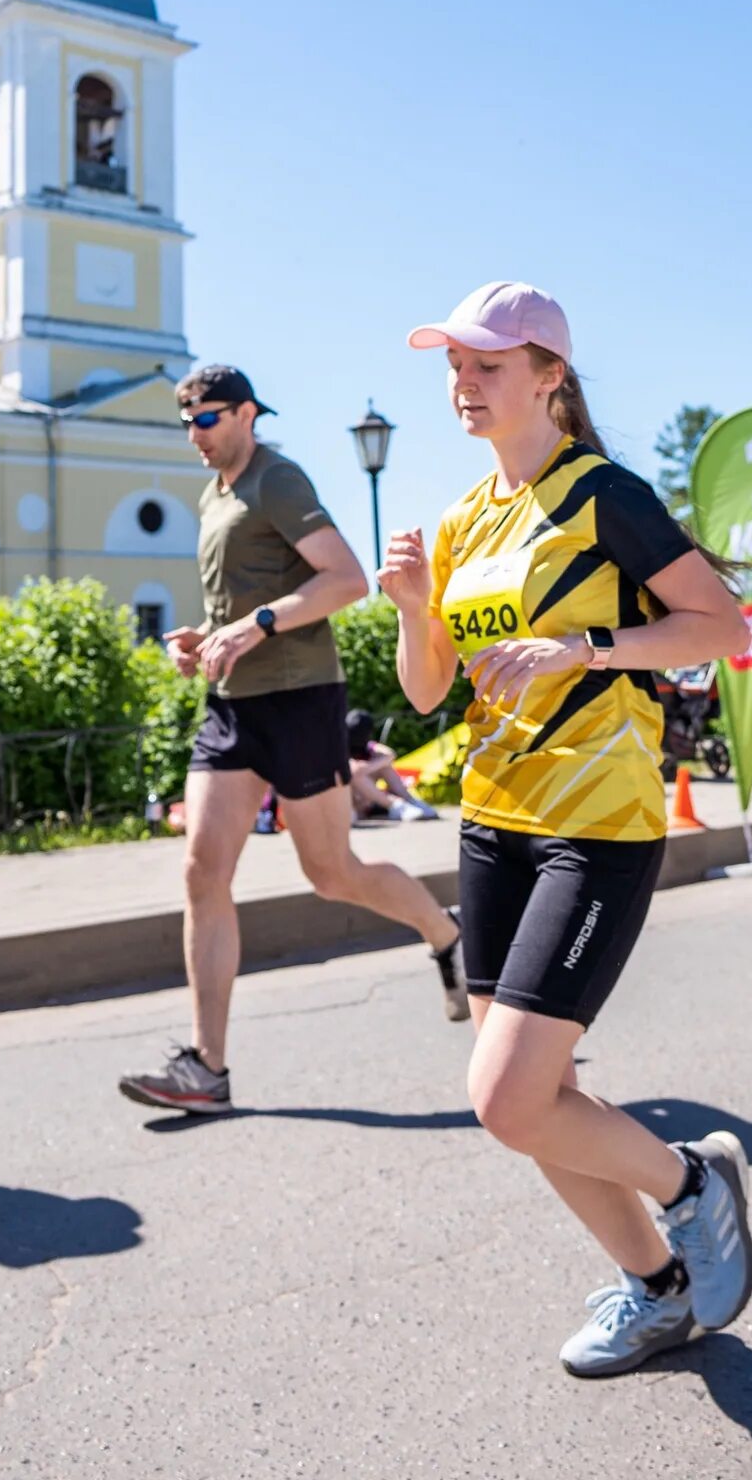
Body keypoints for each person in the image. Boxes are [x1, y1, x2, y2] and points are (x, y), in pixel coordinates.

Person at [381, 281, 752, 1377]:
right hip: (495, 819)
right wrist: (414, 607)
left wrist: (583, 646)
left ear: (551, 373)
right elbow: (423, 692)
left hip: (598, 822)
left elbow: (720, 626)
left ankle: (695, 1183)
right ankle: (657, 1286)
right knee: (533, 1096)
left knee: (504, 1098)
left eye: (486, 365)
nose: (464, 385)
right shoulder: (461, 519)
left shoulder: (603, 494)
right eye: (454, 367)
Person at [120, 365, 467, 1116]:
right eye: (186, 422)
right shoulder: (214, 495)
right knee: (201, 871)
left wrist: (258, 624)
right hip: (231, 707)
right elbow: (241, 609)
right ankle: (207, 1067)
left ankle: (446, 933)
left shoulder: (278, 480)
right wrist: (206, 641)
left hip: (301, 700)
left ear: (246, 413)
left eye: (206, 419)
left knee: (333, 873)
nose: (195, 435)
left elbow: (346, 581)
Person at [344, 707, 439, 823]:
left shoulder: (368, 748)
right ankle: (396, 805)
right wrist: (362, 769)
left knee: (384, 767)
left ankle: (409, 800)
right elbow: (353, 770)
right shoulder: (341, 750)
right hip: (354, 803)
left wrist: (366, 767)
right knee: (356, 773)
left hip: (369, 799)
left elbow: (390, 754)